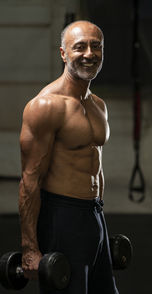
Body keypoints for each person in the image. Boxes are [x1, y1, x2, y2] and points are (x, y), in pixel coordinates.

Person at [19, 20, 119, 294]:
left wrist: (96, 226)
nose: (89, 53)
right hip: (62, 218)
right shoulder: (45, 105)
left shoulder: (98, 105)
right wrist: (30, 248)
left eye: (96, 46)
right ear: (63, 53)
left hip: (94, 216)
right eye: (79, 47)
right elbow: (30, 180)